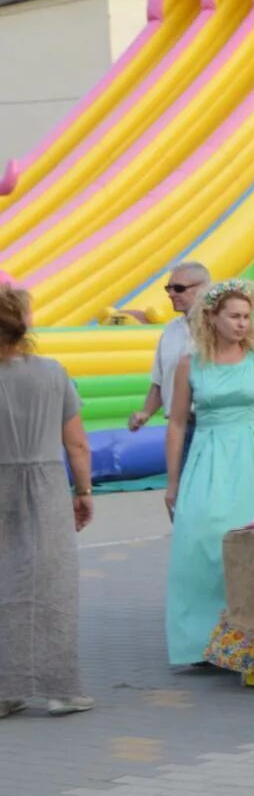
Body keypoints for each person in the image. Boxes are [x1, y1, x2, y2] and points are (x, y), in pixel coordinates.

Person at [163, 279, 254, 667]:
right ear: (212, 317)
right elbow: (175, 425)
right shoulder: (190, 364)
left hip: (253, 457)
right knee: (201, 544)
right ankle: (202, 643)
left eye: (245, 317)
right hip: (207, 458)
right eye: (233, 316)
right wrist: (173, 481)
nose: (241, 324)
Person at [0, 287, 96, 717]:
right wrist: (84, 491)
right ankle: (62, 689)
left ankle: (6, 689)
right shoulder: (53, 373)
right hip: (45, 486)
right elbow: (76, 444)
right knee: (52, 585)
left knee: (6, 585)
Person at [128, 262, 209, 473]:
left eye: (179, 288)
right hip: (180, 426)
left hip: (210, 426)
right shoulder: (171, 331)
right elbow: (160, 381)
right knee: (182, 497)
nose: (171, 294)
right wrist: (146, 412)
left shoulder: (220, 327)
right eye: (169, 288)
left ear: (203, 288)